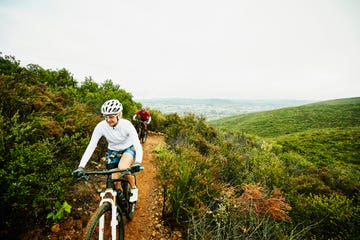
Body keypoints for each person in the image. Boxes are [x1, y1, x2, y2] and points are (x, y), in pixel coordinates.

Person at [72, 99, 143, 202]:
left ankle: (133, 188)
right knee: (113, 178)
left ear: (119, 115)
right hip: (113, 151)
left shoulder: (127, 125)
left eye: (111, 116)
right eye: (106, 116)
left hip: (128, 148)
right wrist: (81, 166)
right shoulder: (101, 126)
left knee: (123, 167)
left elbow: (137, 144)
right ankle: (119, 196)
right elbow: (91, 146)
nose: (108, 120)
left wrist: (138, 162)